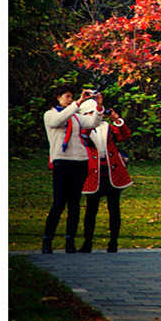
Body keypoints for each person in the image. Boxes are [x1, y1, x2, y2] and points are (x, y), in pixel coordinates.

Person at [42, 84, 104, 254]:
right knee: (59, 203)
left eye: (71, 96)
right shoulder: (50, 115)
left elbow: (93, 122)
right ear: (58, 97)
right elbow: (58, 121)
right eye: (67, 96)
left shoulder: (75, 117)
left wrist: (98, 106)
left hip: (79, 161)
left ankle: (70, 241)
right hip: (62, 161)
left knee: (75, 204)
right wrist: (77, 103)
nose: (70, 100)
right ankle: (48, 239)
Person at [77, 93, 133, 253]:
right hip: (93, 172)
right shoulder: (81, 130)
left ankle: (113, 242)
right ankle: (87, 243)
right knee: (91, 209)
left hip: (111, 172)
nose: (94, 116)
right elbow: (84, 139)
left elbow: (124, 135)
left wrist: (116, 118)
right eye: (90, 113)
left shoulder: (107, 127)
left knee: (114, 208)